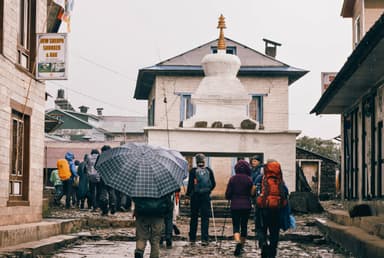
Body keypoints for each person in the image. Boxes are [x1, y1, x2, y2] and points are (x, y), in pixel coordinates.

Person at [252, 159, 288, 258]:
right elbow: (285, 193)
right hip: (276, 209)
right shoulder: (280, 180)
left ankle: (263, 244)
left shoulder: (261, 178)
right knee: (274, 230)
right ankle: (272, 250)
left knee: (260, 228)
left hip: (263, 209)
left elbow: (253, 191)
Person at [186, 153, 216, 246]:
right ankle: (204, 238)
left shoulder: (193, 171)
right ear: (204, 160)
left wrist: (188, 195)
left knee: (194, 217)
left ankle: (192, 238)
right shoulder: (209, 170)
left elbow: (190, 184)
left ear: (196, 161)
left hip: (195, 197)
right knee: (205, 218)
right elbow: (213, 183)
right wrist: (208, 191)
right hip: (205, 197)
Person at [225, 160, 253, 256]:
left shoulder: (232, 179)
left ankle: (237, 242)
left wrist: (231, 196)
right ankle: (242, 246)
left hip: (235, 205)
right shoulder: (249, 179)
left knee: (236, 225)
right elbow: (251, 194)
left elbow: (228, 194)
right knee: (244, 225)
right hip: (246, 205)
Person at [134, 193, 173, 258]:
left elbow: (135, 199)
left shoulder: (139, 185)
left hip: (142, 212)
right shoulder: (162, 185)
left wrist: (136, 210)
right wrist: (166, 212)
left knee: (141, 236)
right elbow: (168, 201)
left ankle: (139, 250)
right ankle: (154, 256)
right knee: (156, 238)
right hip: (158, 213)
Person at [99, 145, 116, 216]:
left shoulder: (100, 157)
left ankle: (104, 210)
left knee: (103, 194)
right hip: (112, 177)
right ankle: (113, 208)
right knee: (111, 192)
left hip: (103, 177)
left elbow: (96, 166)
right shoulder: (113, 157)